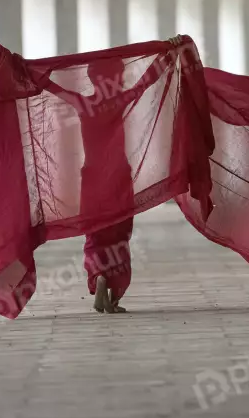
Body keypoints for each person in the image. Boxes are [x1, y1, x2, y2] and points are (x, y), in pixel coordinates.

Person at [45, 36, 183, 314]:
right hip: (118, 175)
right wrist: (167, 54)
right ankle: (111, 287)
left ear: (91, 78)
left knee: (95, 233)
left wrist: (27, 70)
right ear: (117, 78)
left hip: (93, 177)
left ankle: (99, 276)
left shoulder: (83, 104)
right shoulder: (120, 101)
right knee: (118, 234)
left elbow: (51, 87)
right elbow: (146, 81)